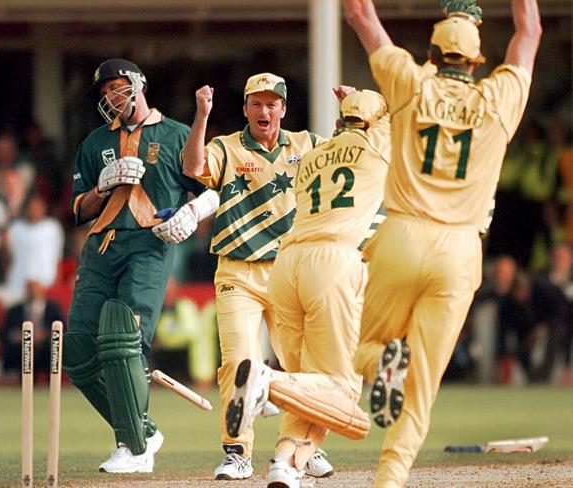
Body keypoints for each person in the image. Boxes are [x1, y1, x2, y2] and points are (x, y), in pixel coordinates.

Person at [339, 1, 540, 486]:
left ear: (431, 52)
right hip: (458, 250)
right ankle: (389, 479)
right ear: (476, 61)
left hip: (403, 236)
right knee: (423, 388)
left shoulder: (411, 83)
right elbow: (529, 28)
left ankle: (381, 362)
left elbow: (360, 16)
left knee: (358, 349)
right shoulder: (500, 97)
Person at [224, 89, 391, 487]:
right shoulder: (376, 144)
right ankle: (267, 382)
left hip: (288, 264)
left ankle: (286, 463)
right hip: (333, 264)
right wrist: (364, 104)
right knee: (341, 390)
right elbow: (398, 112)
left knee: (310, 386)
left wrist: (352, 109)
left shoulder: (314, 156)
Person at [64, 58, 219, 474]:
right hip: (101, 246)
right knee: (77, 349)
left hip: (150, 242)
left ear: (137, 84)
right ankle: (144, 429)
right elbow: (79, 209)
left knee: (122, 338)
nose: (111, 96)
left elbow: (210, 190)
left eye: (117, 86)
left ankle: (133, 447)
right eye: (105, 92)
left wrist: (190, 216)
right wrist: (104, 184)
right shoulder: (95, 142)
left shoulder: (176, 134)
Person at [182, 73, 332, 481]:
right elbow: (193, 166)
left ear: (283, 108)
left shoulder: (308, 144)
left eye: (272, 104)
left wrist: (352, 118)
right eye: (256, 104)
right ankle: (237, 453)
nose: (264, 111)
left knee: (301, 366)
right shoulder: (226, 147)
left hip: (290, 273)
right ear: (246, 108)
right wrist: (201, 116)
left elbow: (347, 163)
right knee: (238, 362)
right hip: (237, 272)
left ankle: (302, 446)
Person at [0, 280, 65, 380]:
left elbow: (62, 329)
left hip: (46, 348)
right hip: (22, 348)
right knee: (19, 352)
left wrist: (45, 334)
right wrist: (18, 336)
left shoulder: (53, 308)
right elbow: (6, 331)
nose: (32, 293)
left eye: (35, 290)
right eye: (29, 290)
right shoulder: (15, 310)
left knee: (51, 351)